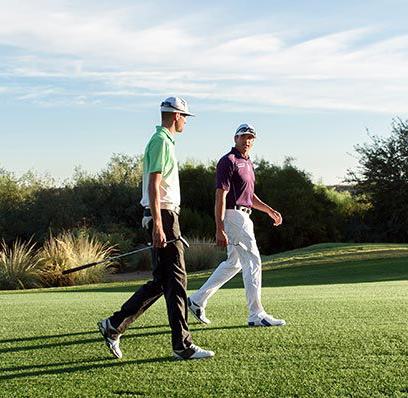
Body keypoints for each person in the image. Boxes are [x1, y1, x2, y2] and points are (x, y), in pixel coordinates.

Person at [97, 97, 214, 360]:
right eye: (185, 116)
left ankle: (114, 325)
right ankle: (182, 346)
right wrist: (160, 226)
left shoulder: (162, 141)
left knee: (162, 282)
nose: (185, 121)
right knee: (177, 282)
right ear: (175, 116)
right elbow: (154, 184)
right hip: (163, 215)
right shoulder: (162, 141)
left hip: (164, 215)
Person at [187, 123, 286, 327]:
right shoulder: (228, 161)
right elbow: (220, 196)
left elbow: (249, 196)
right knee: (253, 261)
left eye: (251, 137)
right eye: (243, 137)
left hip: (243, 215)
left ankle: (197, 300)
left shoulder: (248, 163)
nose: (247, 140)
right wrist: (219, 228)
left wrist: (268, 210)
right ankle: (256, 314)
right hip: (233, 216)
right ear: (235, 138)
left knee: (235, 264)